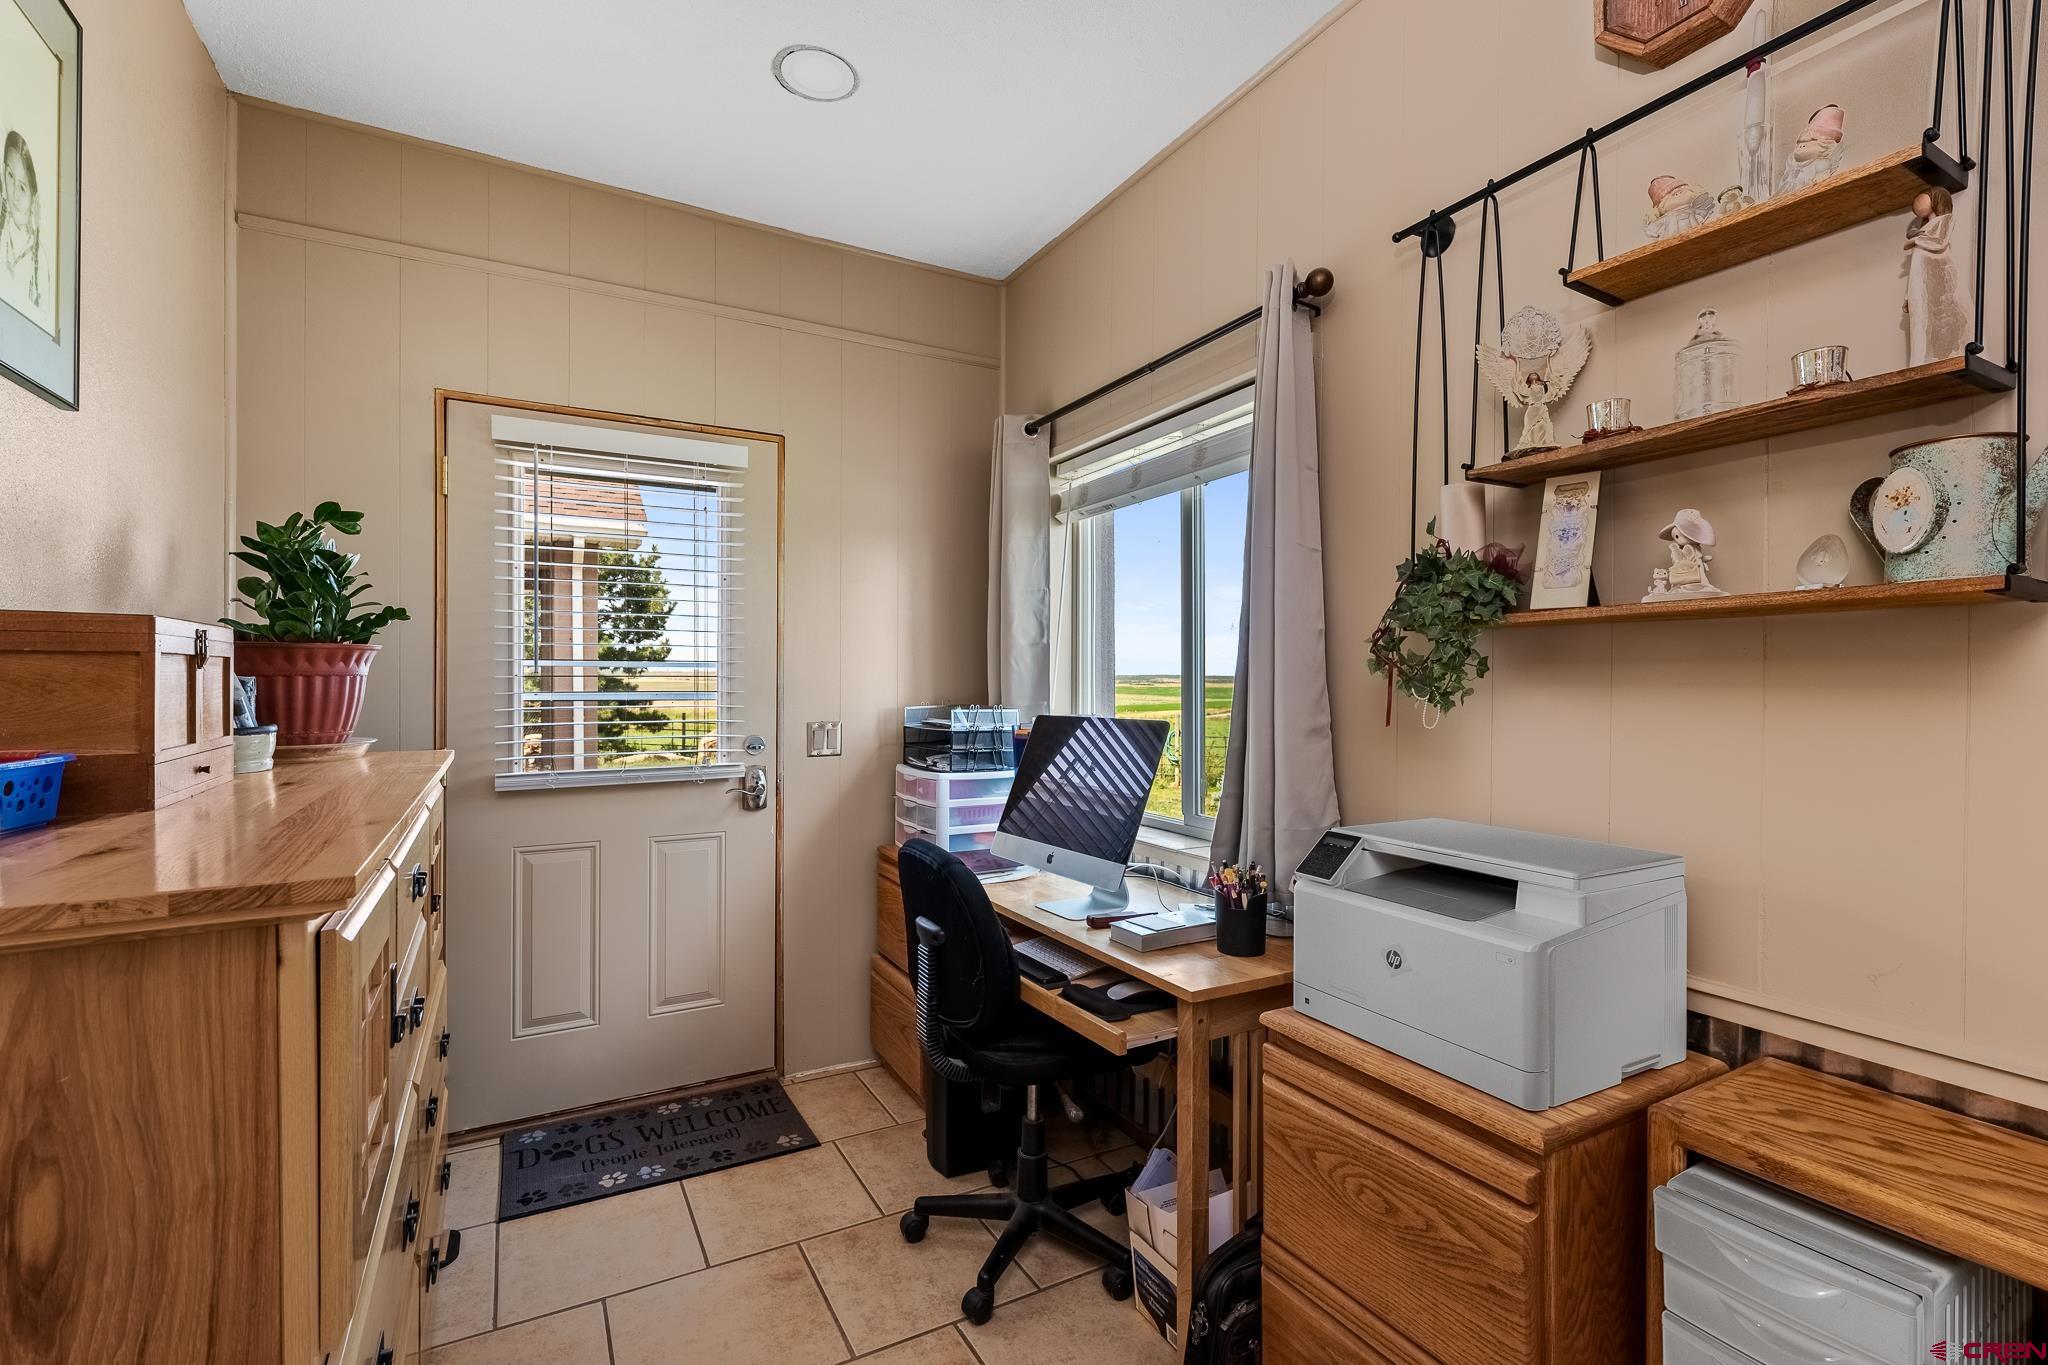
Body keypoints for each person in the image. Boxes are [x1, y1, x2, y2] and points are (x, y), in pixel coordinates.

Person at [2, 129, 44, 313]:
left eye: (22, 188)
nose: (14, 194)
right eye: (10, 176)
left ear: (33, 197)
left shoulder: (40, 261)